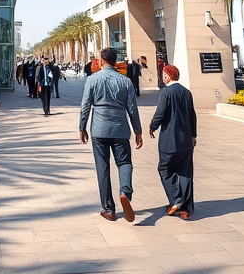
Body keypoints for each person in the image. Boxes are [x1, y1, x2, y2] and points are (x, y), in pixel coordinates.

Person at [79, 47, 143, 223]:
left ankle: (108, 209)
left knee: (103, 167)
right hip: (120, 128)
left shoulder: (92, 80)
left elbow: (85, 106)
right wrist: (138, 131)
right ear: (116, 61)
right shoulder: (125, 81)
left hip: (99, 129)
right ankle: (125, 192)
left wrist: (82, 127)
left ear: (101, 60)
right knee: (124, 162)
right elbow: (132, 109)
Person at [149, 65, 197, 219]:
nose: (162, 77)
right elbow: (192, 115)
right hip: (186, 140)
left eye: (163, 74)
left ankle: (176, 199)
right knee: (185, 172)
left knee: (165, 169)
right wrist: (193, 135)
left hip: (170, 140)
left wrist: (152, 126)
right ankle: (186, 208)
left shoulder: (166, 92)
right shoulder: (186, 92)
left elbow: (160, 112)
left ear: (168, 76)